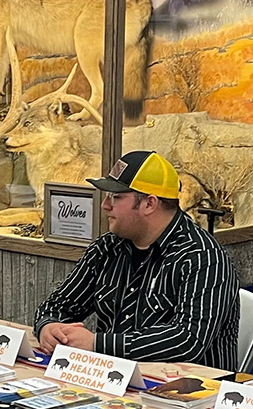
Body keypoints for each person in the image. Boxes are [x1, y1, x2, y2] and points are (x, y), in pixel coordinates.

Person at [33, 150, 240, 371]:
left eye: (116, 197)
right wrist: (48, 327)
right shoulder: (106, 248)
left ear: (149, 204)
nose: (105, 205)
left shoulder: (202, 257)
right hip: (113, 383)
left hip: (189, 396)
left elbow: (188, 340)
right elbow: (57, 305)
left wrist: (97, 344)